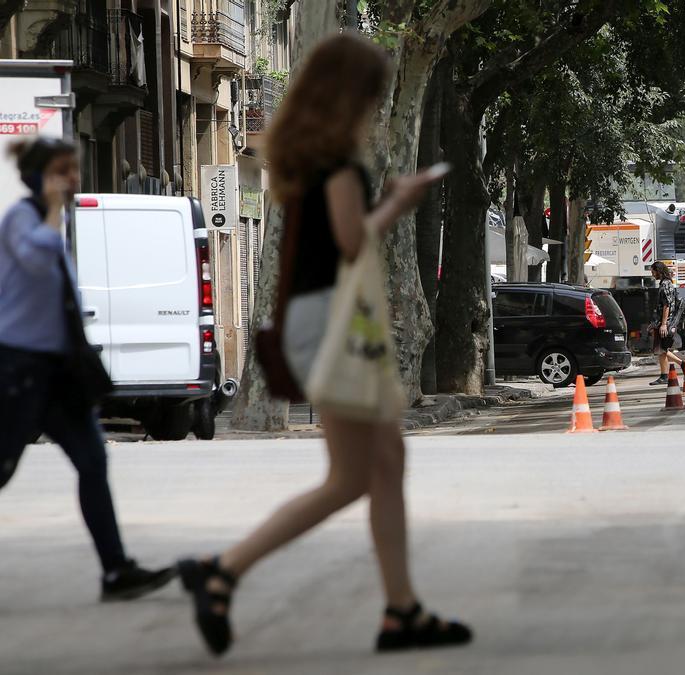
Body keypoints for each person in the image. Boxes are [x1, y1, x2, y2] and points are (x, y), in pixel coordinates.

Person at [176, 35, 470, 657]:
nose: (375, 106)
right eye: (371, 96)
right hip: (337, 324)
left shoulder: (307, 158)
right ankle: (223, 570)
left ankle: (401, 610)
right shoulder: (339, 165)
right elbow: (352, 244)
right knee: (351, 477)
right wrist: (398, 203)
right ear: (350, 96)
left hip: (321, 319)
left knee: (384, 465)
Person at [0, 137, 176, 601]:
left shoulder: (50, 222)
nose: (73, 180)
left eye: (73, 171)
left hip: (56, 373)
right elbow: (36, 260)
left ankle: (116, 571)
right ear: (39, 177)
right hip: (18, 369)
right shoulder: (21, 219)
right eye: (63, 171)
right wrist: (55, 208)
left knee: (93, 462)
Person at [649, 260, 684, 385]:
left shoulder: (665, 284)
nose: (653, 274)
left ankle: (664, 376)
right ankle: (682, 365)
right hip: (662, 321)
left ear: (658, 271)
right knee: (662, 349)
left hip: (664, 322)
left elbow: (666, 305)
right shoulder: (668, 283)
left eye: (653, 272)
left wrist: (663, 324)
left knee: (661, 350)